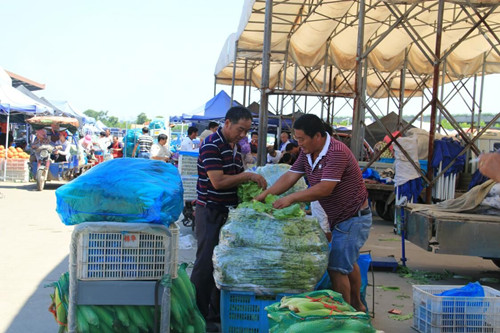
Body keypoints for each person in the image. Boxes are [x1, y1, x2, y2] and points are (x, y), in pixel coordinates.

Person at [255, 114, 371, 312]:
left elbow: (325, 188)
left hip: (354, 218)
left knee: (336, 269)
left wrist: (292, 198)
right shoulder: (308, 153)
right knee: (348, 262)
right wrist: (263, 196)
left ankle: (342, 315)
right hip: (339, 218)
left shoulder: (336, 152)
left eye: (301, 139)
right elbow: (291, 176)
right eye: (297, 139)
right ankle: (358, 308)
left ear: (318, 136)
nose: (299, 144)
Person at [190, 106, 267, 332]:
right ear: (226, 123)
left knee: (222, 264)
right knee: (205, 265)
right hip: (210, 211)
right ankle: (196, 315)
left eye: (246, 131)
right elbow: (218, 182)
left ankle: (215, 315)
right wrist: (247, 176)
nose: (242, 135)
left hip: (227, 211)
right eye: (239, 130)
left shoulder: (234, 146)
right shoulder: (212, 145)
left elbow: (234, 180)